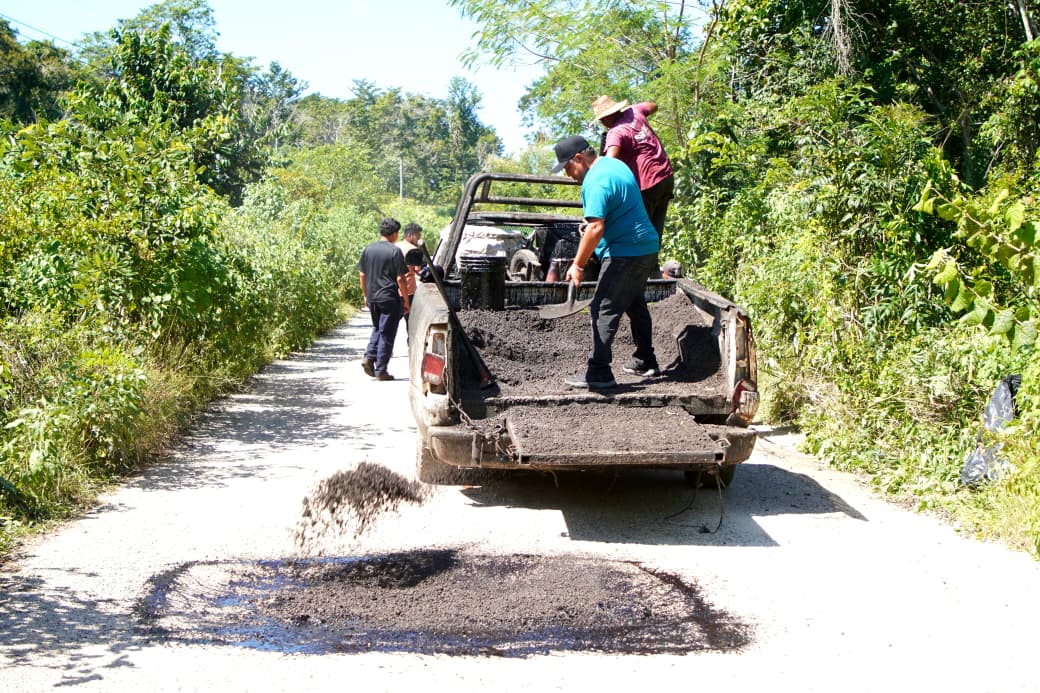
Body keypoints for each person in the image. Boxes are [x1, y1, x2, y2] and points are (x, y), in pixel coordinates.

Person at [551, 135, 661, 389]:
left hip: (626, 251)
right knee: (634, 302)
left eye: (568, 168)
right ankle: (646, 359)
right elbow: (611, 212)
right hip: (646, 247)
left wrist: (578, 265)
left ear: (578, 158)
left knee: (602, 307)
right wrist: (590, 226)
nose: (568, 175)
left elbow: (596, 227)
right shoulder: (615, 165)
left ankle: (599, 372)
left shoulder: (595, 181)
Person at [592, 95, 674, 240]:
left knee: (643, 231)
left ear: (607, 116)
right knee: (656, 227)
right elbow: (652, 105)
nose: (602, 122)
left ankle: (645, 261)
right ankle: (652, 261)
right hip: (666, 175)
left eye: (602, 119)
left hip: (647, 183)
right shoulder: (635, 111)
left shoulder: (615, 132)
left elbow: (610, 161)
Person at [357, 218, 410, 381]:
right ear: (394, 234)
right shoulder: (395, 251)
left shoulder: (368, 249)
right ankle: (381, 370)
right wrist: (406, 300)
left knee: (378, 328)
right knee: (387, 333)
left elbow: (362, 274)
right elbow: (401, 278)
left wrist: (365, 295)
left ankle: (369, 356)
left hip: (373, 297)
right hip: (389, 298)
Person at [395, 222, 423, 341]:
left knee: (391, 322)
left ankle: (385, 347)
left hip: (394, 290)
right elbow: (418, 270)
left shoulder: (395, 246)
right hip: (409, 290)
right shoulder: (414, 250)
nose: (419, 238)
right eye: (418, 235)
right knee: (410, 322)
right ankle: (410, 344)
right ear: (410, 236)